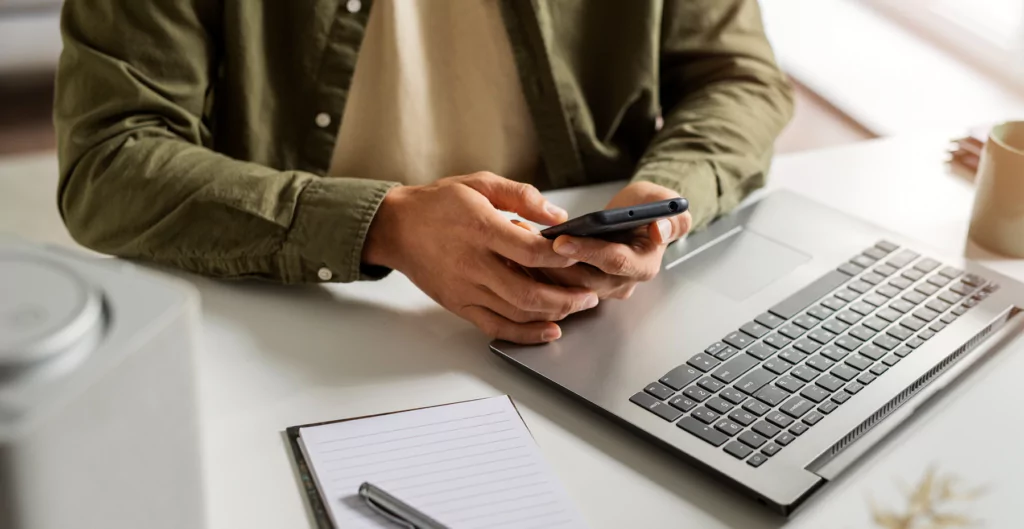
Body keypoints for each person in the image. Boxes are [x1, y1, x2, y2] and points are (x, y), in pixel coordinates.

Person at [54, 0, 793, 344]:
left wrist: (664, 198)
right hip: (299, 316)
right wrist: (382, 224)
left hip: (599, 317)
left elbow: (738, 78)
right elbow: (111, 157)